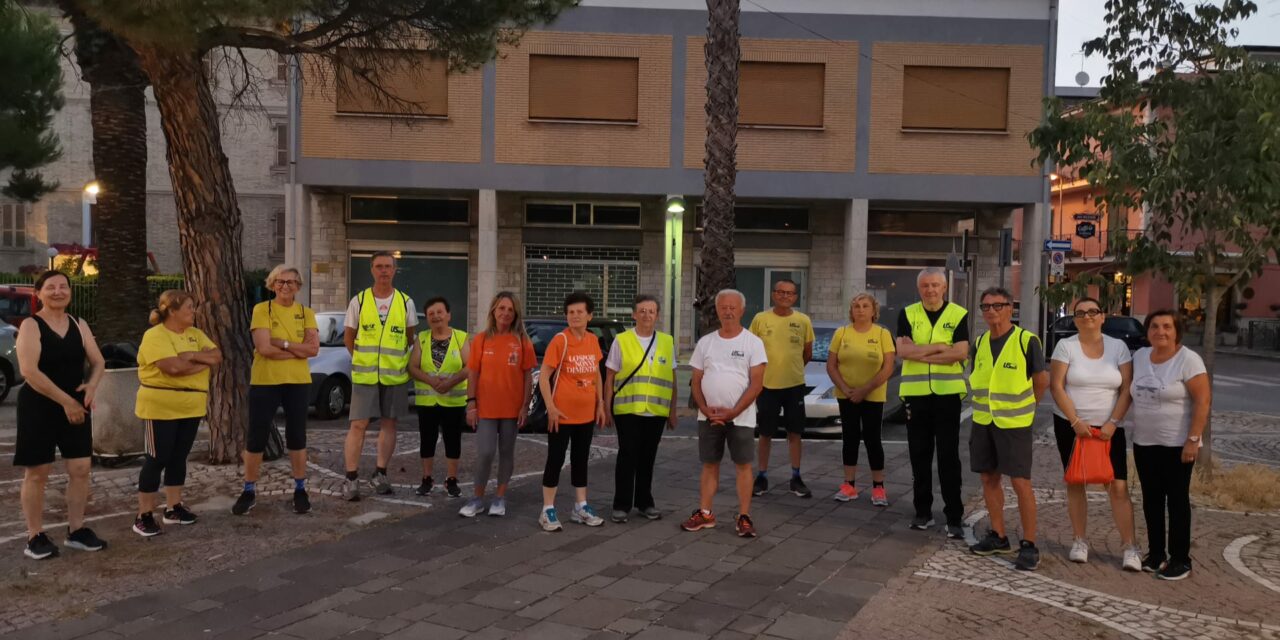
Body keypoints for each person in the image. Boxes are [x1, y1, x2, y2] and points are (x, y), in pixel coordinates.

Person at [14, 270, 107, 559]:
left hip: (76, 406)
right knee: (37, 473)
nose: (58, 291)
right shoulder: (31, 325)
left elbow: (98, 361)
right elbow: (30, 372)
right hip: (39, 406)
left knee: (80, 469)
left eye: (63, 286)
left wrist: (91, 385)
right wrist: (66, 402)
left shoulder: (79, 324)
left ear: (70, 292)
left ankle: (76, 531)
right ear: (38, 294)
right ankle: (35, 536)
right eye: (50, 287)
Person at [1049, 297, 1141, 571]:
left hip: (1109, 428)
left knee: (1118, 486)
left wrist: (1113, 422)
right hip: (1071, 426)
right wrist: (1076, 421)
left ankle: (1130, 546)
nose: (1087, 316)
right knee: (1076, 482)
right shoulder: (1065, 346)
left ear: (1103, 317)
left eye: (1093, 311)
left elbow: (1127, 388)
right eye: (1080, 313)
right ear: (1075, 319)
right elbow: (1056, 386)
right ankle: (1079, 540)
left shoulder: (1118, 347)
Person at [967, 287, 1049, 571]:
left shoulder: (1026, 341)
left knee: (1020, 483)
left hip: (1014, 424)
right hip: (983, 421)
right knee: (988, 478)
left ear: (1009, 308)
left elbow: (1041, 380)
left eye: (997, 306)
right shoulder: (979, 342)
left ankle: (1028, 543)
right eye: (985, 307)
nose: (991, 311)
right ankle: (998, 535)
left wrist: (1029, 409)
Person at [1128, 310, 1210, 581]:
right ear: (1147, 331)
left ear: (1176, 331)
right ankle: (1156, 554)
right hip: (1145, 442)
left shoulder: (1188, 360)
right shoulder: (1140, 357)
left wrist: (1193, 440)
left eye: (1166, 326)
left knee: (1176, 501)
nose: (1160, 332)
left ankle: (1180, 559)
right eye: (1154, 326)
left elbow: (1202, 401)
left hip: (1177, 444)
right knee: (1151, 500)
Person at [133, 290, 222, 536]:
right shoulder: (155, 336)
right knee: (157, 458)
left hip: (191, 406)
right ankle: (144, 515)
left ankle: (173, 508)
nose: (194, 312)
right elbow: (173, 367)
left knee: (178, 457)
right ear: (172, 311)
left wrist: (193, 356)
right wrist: (200, 363)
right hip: (161, 406)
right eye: (189, 307)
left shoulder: (195, 335)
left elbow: (217, 356)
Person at [233, 265, 319, 516]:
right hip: (265, 381)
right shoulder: (262, 309)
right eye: (281, 282)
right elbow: (263, 348)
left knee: (297, 436)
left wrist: (281, 342)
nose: (285, 286)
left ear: (298, 287)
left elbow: (313, 350)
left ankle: (300, 489)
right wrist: (296, 349)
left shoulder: (306, 313)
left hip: (298, 381)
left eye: (291, 282)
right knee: (256, 437)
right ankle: (249, 490)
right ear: (272, 284)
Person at [682, 289, 767, 538]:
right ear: (717, 310)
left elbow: (756, 384)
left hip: (740, 417)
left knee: (743, 465)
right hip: (708, 417)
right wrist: (705, 409)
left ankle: (744, 516)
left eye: (732, 307)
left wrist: (734, 411)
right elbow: (695, 381)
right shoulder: (706, 342)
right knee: (709, 464)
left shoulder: (753, 343)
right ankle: (705, 513)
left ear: (742, 310)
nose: (728, 311)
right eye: (723, 307)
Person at [895, 267, 970, 537]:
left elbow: (961, 352)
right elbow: (902, 351)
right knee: (919, 455)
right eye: (926, 286)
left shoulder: (958, 314)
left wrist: (920, 353)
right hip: (916, 396)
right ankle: (922, 512)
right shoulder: (908, 313)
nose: (930, 290)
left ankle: (954, 516)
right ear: (919, 289)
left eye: (935, 285)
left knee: (948, 457)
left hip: (947, 395)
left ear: (944, 288)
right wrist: (940, 347)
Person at [342, 251, 418, 500]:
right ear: (371, 269)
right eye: (379, 266)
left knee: (389, 424)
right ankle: (351, 478)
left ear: (395, 270)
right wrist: (363, 360)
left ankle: (380, 473)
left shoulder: (406, 302)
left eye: (388, 266)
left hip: (394, 377)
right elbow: (348, 338)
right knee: (358, 425)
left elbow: (410, 338)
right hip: (365, 377)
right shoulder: (359, 301)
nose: (384, 270)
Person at [460, 292, 536, 518]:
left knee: (506, 452)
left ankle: (500, 497)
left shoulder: (522, 341)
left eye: (510, 310)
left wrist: (525, 406)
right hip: (486, 409)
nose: (505, 313)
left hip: (512, 410)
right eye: (501, 308)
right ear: (493, 310)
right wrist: (471, 404)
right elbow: (472, 374)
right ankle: (477, 498)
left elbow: (527, 377)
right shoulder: (481, 340)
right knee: (485, 452)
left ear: (515, 315)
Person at [537, 291, 607, 531]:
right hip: (561, 415)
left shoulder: (592, 340)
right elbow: (544, 377)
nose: (574, 316)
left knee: (580, 460)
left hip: (586, 414)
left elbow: (597, 373)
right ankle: (547, 509)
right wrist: (551, 407)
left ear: (589, 315)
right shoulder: (560, 340)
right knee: (555, 460)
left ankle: (580, 506)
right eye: (570, 312)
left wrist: (600, 404)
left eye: (579, 312)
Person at [605, 295, 677, 523]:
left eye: (651, 311)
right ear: (634, 314)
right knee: (627, 455)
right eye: (642, 311)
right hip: (628, 409)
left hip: (656, 411)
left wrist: (672, 411)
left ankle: (645, 502)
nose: (647, 315)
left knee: (648, 457)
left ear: (657, 315)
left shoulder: (667, 341)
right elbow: (610, 377)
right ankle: (621, 504)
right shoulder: (622, 340)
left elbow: (672, 378)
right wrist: (606, 408)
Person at [826, 293, 895, 505]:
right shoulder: (842, 333)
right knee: (850, 438)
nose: (861, 309)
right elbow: (831, 365)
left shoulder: (882, 333)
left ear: (873, 311)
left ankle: (878, 487)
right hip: (846, 395)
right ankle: (849, 484)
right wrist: (846, 389)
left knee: (873, 439)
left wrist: (864, 390)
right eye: (856, 306)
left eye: (865, 306)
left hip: (873, 395)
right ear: (851, 310)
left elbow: (888, 367)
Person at [749, 278, 815, 498]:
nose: (785, 296)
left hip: (794, 385)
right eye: (781, 292)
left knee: (795, 432)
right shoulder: (760, 319)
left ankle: (796, 477)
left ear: (795, 297)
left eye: (790, 293)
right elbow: (751, 351)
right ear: (773, 295)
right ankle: (762, 476)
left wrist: (791, 369)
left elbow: (807, 353)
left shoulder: (803, 320)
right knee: (765, 433)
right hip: (766, 386)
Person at [408, 296, 469, 498]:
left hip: (453, 401)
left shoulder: (461, 337)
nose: (436, 316)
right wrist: (431, 381)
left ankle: (451, 480)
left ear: (448, 315)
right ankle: (427, 479)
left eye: (439, 312)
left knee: (453, 440)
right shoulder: (422, 338)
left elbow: (470, 366)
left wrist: (450, 382)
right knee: (427, 439)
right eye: (431, 314)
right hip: (427, 401)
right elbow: (413, 367)